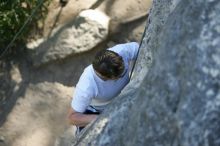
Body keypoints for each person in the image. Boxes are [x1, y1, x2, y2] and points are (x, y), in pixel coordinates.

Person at [68, 42, 139, 134]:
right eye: (119, 77)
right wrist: (100, 119)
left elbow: (144, 46)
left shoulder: (122, 51)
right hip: (98, 110)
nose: (122, 75)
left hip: (125, 96)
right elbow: (72, 118)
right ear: (105, 77)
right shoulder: (87, 85)